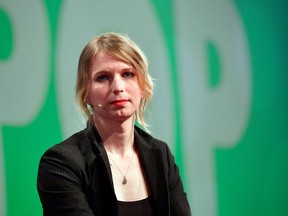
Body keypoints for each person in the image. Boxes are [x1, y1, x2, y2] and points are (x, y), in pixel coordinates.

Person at [37, 32, 192, 216]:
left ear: (142, 86)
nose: (118, 87)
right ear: (86, 93)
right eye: (103, 77)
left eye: (128, 74)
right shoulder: (62, 163)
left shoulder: (161, 156)